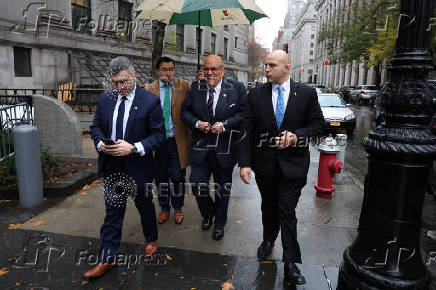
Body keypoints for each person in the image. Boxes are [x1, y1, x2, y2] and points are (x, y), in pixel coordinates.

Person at [239, 50, 324, 285]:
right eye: (266, 65)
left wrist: (296, 136)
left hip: (294, 166)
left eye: (272, 65)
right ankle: (268, 240)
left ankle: (290, 263)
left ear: (287, 67)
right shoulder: (255, 94)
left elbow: (318, 126)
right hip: (265, 165)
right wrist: (245, 163)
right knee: (269, 207)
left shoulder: (306, 93)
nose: (266, 69)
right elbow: (247, 131)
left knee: (287, 211)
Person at [85, 56, 165, 278]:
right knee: (112, 213)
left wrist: (134, 147)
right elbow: (96, 127)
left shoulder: (150, 101)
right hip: (113, 167)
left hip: (139, 166)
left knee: (145, 206)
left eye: (124, 82)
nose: (120, 87)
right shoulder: (106, 99)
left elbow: (159, 136)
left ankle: (151, 238)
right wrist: (101, 143)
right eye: (116, 82)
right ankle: (107, 258)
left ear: (134, 76)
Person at [181, 55, 247, 241]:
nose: (210, 73)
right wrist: (197, 123)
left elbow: (243, 114)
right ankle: (208, 212)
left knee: (222, 190)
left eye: (214, 69)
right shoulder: (196, 88)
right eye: (206, 69)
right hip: (200, 148)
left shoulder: (237, 89)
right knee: (196, 184)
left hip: (224, 149)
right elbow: (184, 112)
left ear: (223, 70)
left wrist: (225, 125)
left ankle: (219, 223)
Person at [146, 57, 191, 225]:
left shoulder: (185, 86)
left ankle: (178, 207)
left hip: (177, 141)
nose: (168, 73)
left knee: (178, 176)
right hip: (158, 143)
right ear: (158, 71)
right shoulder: (149, 89)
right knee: (160, 178)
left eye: (171, 69)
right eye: (164, 69)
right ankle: (164, 208)